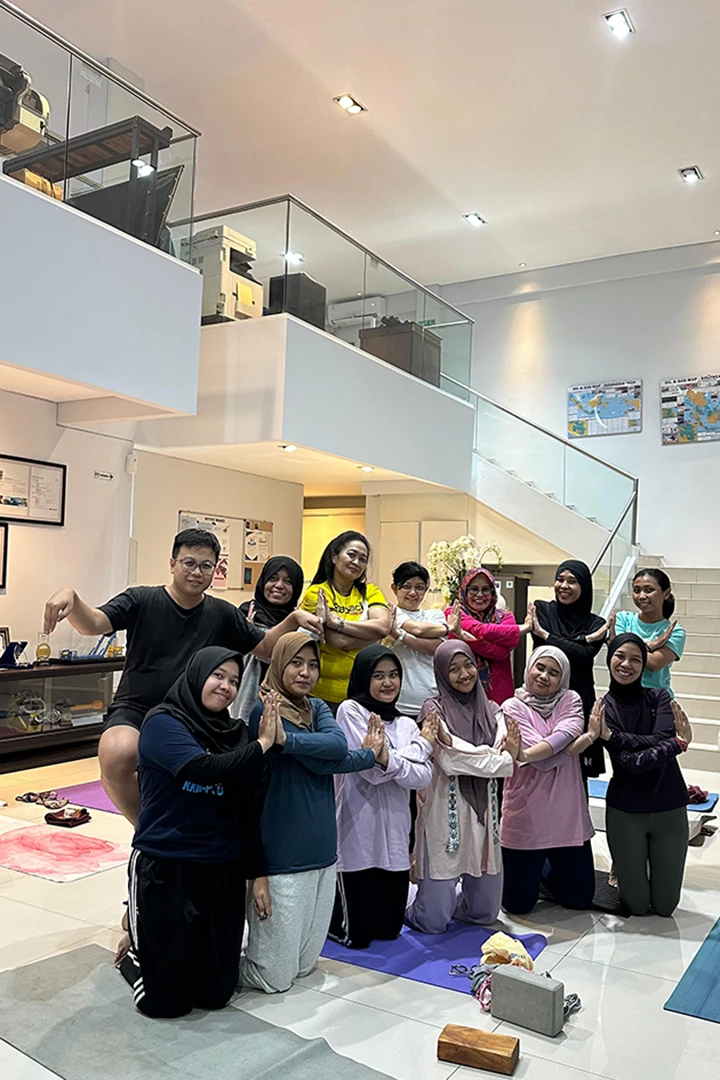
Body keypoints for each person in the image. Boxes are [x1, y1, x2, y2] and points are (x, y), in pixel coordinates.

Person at [43, 529, 321, 825]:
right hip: (138, 708)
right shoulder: (142, 599)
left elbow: (265, 647)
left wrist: (292, 619)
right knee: (117, 752)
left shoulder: (222, 614)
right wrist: (71, 597)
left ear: (215, 570)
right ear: (172, 563)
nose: (196, 572)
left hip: (197, 717)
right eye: (189, 563)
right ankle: (149, 829)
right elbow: (94, 623)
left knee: (234, 770)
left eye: (206, 566)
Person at [118, 647, 277, 1018]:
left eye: (235, 681)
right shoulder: (162, 722)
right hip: (165, 863)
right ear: (196, 675)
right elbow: (201, 769)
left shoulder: (236, 734)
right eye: (218, 675)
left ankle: (162, 954)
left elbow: (247, 807)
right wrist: (263, 745)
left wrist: (257, 873)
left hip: (220, 864)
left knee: (215, 994)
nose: (226, 686)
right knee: (165, 1005)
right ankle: (136, 959)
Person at [238, 632, 382, 994]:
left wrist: (289, 742)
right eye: (296, 663)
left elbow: (334, 746)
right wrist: (364, 756)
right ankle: (212, 964)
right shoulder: (264, 709)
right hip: (282, 857)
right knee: (274, 979)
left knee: (303, 967)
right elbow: (325, 762)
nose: (305, 672)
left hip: (321, 853)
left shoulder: (316, 708)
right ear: (279, 664)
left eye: (313, 665)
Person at [406, 641, 521, 934]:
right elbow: (451, 759)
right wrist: (503, 760)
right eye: (453, 669)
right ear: (442, 673)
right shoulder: (432, 708)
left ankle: (451, 901)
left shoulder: (492, 708)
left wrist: (499, 756)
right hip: (446, 811)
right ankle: (416, 906)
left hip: (485, 811)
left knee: (485, 914)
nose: (464, 674)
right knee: (432, 923)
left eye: (468, 665)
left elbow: (481, 751)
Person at [330, 644, 436, 949]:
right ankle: (324, 920)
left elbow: (424, 776)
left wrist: (388, 758)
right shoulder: (350, 711)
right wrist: (422, 748)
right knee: (358, 937)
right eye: (378, 675)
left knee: (390, 930)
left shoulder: (404, 723)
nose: (388, 682)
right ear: (364, 677)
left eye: (393, 675)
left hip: (395, 839)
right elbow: (369, 772)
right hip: (357, 838)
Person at [597, 633, 692, 917]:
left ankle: (645, 863)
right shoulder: (604, 707)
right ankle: (631, 866)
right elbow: (631, 763)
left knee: (665, 906)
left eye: (636, 659)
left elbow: (663, 736)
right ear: (609, 659)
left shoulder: (659, 697)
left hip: (669, 804)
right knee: (636, 906)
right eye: (620, 657)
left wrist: (615, 737)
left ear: (643, 665)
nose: (627, 664)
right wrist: (675, 745)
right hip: (626, 809)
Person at [500, 646, 597, 915]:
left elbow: (566, 732)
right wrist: (581, 744)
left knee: (579, 899)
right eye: (539, 668)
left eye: (554, 672)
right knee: (517, 906)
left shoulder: (571, 699)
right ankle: (537, 865)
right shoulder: (511, 706)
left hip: (566, 814)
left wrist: (525, 755)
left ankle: (543, 866)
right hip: (526, 813)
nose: (544, 676)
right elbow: (550, 750)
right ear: (528, 668)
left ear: (562, 678)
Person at [531, 559, 608, 778]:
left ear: (584, 587)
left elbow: (584, 656)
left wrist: (547, 635)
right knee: (541, 764)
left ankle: (576, 813)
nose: (564, 585)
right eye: (560, 579)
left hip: (579, 699)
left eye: (572, 581)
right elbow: (548, 652)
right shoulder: (542, 609)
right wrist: (585, 639)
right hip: (544, 699)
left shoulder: (596, 622)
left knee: (576, 770)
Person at [300, 531, 391, 711]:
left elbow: (383, 625)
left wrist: (336, 624)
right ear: (334, 556)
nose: (356, 562)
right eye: (351, 555)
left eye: (363, 559)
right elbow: (337, 641)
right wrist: (373, 637)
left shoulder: (370, 591)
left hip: (362, 690)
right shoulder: (317, 593)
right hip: (322, 692)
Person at [231, 556, 305, 721]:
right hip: (247, 699)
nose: (279, 586)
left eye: (288, 581)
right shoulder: (245, 612)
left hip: (286, 704)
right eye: (273, 578)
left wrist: (255, 638)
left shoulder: (299, 623)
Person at [446, 567, 531, 706]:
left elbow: (500, 653)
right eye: (473, 589)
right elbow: (479, 629)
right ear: (464, 591)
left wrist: (465, 637)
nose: (480, 594)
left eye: (486, 589)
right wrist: (520, 629)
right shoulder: (454, 613)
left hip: (498, 695)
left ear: (493, 593)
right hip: (460, 693)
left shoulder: (506, 617)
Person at [610, 569, 686, 697]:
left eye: (649, 590)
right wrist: (652, 645)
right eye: (636, 590)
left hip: (656, 700)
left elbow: (654, 664)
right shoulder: (623, 618)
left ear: (666, 593)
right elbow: (617, 652)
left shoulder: (675, 632)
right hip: (621, 697)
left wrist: (629, 650)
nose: (641, 596)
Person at [387, 561, 447, 719]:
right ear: (395, 588)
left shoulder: (434, 615)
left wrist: (397, 634)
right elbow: (417, 630)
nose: (413, 593)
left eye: (419, 587)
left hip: (433, 701)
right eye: (406, 586)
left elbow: (434, 647)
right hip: (398, 701)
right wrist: (448, 629)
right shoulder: (390, 613)